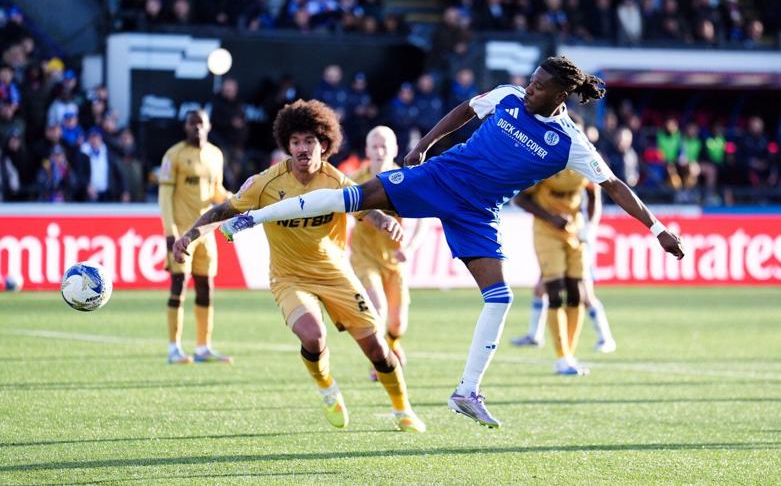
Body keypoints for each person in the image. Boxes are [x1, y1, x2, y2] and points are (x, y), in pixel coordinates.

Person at [218, 56, 685, 429]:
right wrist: (424, 144)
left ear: (561, 95)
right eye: (531, 80)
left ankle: (467, 392)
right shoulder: (506, 97)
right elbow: (466, 110)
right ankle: (253, 218)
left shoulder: (571, 143)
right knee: (350, 197)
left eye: (539, 86)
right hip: (440, 177)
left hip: (478, 213)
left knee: (499, 299)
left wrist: (658, 230)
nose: (529, 88)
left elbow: (616, 186)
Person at [172, 100, 426, 433]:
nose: (302, 148)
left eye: (309, 141)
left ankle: (402, 409)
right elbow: (223, 211)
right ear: (287, 145)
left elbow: (366, 207)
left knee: (377, 348)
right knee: (313, 336)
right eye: (295, 142)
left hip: (335, 274)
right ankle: (327, 389)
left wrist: (384, 223)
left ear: (324, 144)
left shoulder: (336, 181)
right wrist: (189, 236)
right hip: (289, 276)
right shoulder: (265, 183)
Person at [512, 171, 613, 375]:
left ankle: (570, 356)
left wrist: (591, 227)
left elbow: (594, 195)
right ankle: (561, 357)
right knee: (555, 293)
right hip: (546, 234)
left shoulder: (584, 165)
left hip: (575, 233)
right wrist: (550, 218)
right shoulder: (547, 165)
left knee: (578, 294)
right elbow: (520, 199)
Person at [350, 126, 427, 382]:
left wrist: (410, 247)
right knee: (378, 307)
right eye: (375, 146)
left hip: (394, 260)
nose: (380, 151)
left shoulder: (404, 178)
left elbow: (422, 219)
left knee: (397, 325)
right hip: (364, 258)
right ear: (367, 150)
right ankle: (379, 363)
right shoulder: (356, 181)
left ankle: (392, 344)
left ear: (395, 149)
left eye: (385, 146)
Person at [158, 109, 233, 365]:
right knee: (178, 284)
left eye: (201, 124)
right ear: (185, 127)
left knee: (206, 287)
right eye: (193, 124)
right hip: (181, 232)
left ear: (209, 126)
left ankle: (203, 347)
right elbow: (165, 197)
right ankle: (173, 348)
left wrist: (235, 200)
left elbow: (216, 192)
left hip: (206, 232)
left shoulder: (215, 155)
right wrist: (170, 232)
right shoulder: (174, 155)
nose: (197, 128)